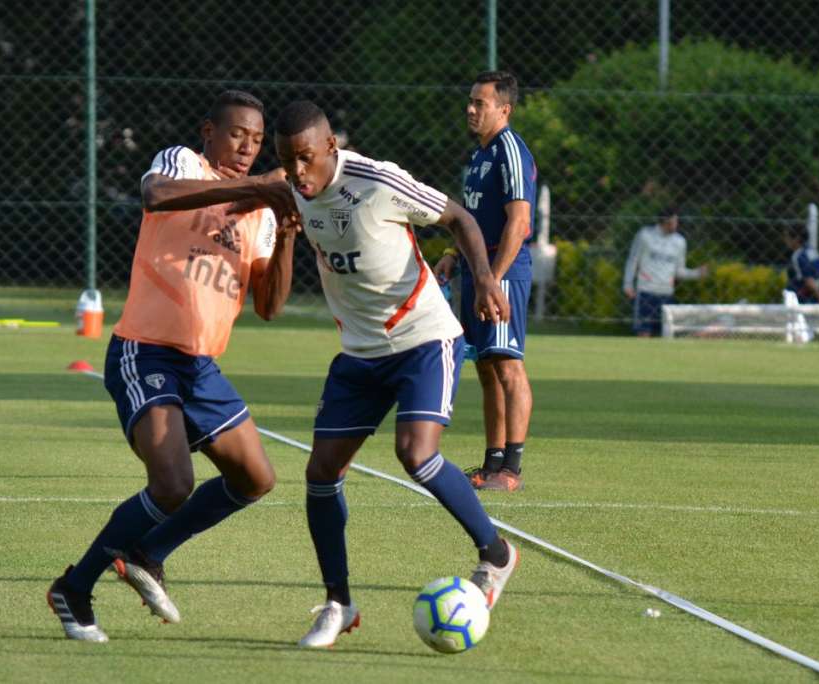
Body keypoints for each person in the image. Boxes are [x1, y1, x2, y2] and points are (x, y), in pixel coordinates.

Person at [47, 90, 300, 642]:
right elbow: (156, 194)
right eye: (237, 134)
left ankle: (148, 552)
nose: (247, 147)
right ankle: (75, 588)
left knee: (256, 478)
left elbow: (269, 305)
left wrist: (284, 235)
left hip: (201, 366)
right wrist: (256, 187)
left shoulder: (261, 212)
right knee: (172, 484)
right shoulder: (182, 163)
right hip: (146, 350)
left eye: (257, 140)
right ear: (209, 131)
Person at [271, 100, 519, 649]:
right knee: (321, 473)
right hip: (359, 353)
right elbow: (249, 191)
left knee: (416, 453)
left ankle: (496, 554)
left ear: (331, 146)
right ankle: (338, 604)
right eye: (286, 160)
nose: (297, 171)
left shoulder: (377, 181)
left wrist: (484, 280)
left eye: (306, 158)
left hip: (423, 339)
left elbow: (460, 218)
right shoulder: (288, 187)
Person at [433, 70, 536, 493]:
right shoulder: (479, 156)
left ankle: (512, 468)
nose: (471, 109)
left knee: (509, 365)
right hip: (479, 273)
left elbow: (519, 222)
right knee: (488, 367)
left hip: (501, 272)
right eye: (470, 101)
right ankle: (492, 463)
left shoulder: (510, 150)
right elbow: (471, 218)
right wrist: (453, 253)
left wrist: (492, 279)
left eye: (481, 103)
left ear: (504, 109)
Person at [622, 206, 708, 337]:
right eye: (673, 222)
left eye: (676, 221)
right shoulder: (645, 235)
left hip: (666, 293)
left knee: (666, 333)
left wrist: (697, 273)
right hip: (646, 291)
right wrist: (627, 284)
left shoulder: (679, 242)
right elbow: (633, 260)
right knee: (644, 332)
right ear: (664, 221)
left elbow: (679, 271)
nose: (675, 225)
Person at [784, 224, 819, 304]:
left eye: (788, 237)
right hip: (817, 295)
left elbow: (808, 280)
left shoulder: (797, 256)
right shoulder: (812, 251)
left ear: (796, 239)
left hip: (803, 298)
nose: (786, 240)